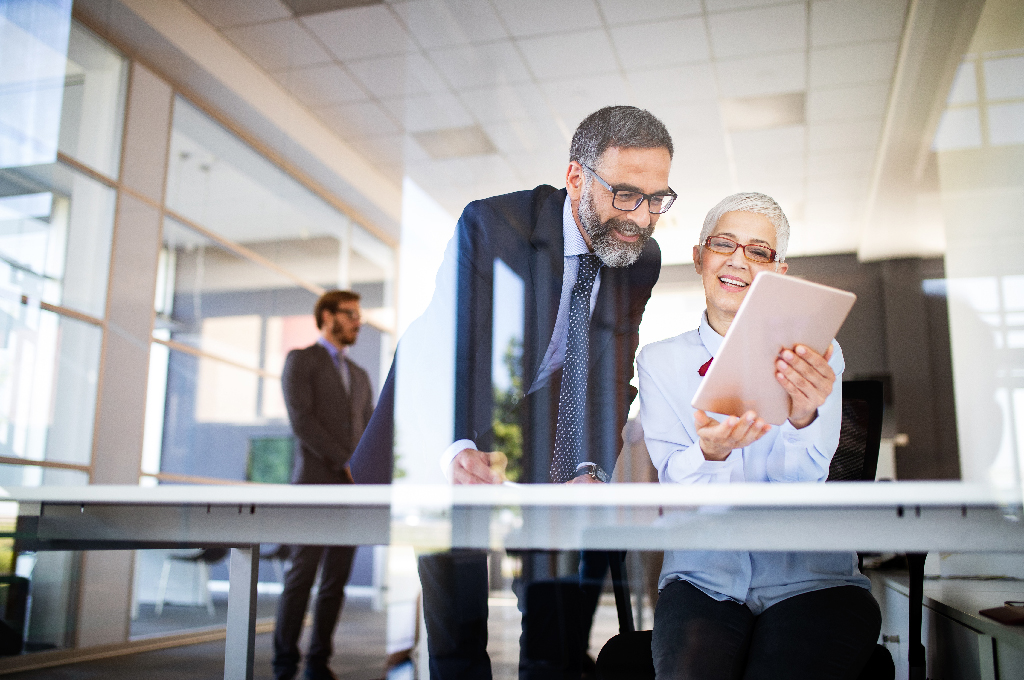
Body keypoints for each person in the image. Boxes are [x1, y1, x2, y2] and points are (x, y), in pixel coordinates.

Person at [350, 106, 674, 679]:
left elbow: (610, 371)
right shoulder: (495, 224)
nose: (641, 218)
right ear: (576, 178)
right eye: (626, 195)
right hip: (446, 411)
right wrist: (455, 447)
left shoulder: (639, 259)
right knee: (458, 627)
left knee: (556, 631)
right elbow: (446, 347)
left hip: (540, 427)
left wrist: (592, 467)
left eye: (657, 199)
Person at [637, 193, 882, 679]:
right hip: (702, 580)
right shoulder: (659, 362)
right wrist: (709, 453)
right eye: (724, 244)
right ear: (700, 257)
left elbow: (801, 485)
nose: (737, 260)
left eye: (758, 250)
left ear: (778, 271)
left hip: (813, 581)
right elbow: (677, 488)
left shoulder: (817, 353)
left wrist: (802, 417)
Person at [273, 290, 375, 680]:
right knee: (300, 578)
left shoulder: (361, 375)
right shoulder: (302, 360)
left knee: (335, 583)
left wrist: (366, 467)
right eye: (350, 315)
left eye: (358, 317)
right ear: (328, 316)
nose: (357, 322)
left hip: (351, 493)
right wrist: (345, 461)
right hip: (314, 486)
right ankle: (285, 665)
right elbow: (302, 422)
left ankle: (318, 663)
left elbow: (367, 432)